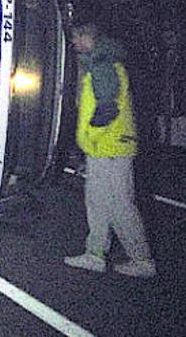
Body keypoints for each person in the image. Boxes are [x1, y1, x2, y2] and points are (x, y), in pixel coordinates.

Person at [63, 23, 157, 279]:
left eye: (76, 39)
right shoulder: (99, 64)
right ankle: (94, 255)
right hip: (104, 148)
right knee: (97, 202)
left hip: (112, 147)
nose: (73, 44)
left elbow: (108, 109)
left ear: (86, 39)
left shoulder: (104, 67)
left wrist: (88, 139)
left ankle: (142, 260)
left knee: (120, 205)